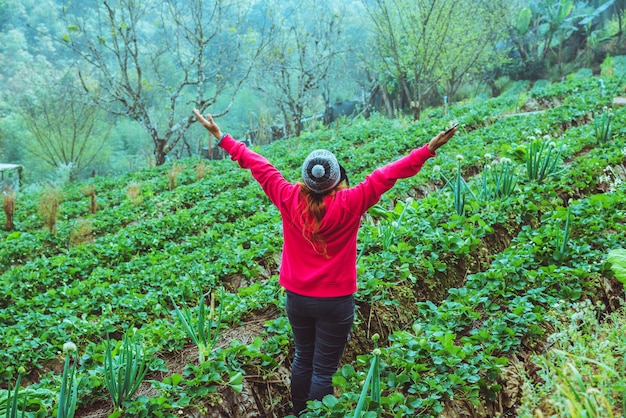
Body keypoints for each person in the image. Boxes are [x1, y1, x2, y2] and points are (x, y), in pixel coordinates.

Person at [192, 108, 457, 415]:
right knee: (323, 370)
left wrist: (220, 136)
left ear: (307, 178)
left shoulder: (288, 197)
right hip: (336, 301)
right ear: (336, 179)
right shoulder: (351, 201)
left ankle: (299, 412)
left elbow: (260, 166)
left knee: (303, 358)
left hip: (298, 299)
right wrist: (428, 150)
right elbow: (387, 175)